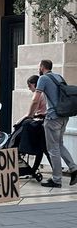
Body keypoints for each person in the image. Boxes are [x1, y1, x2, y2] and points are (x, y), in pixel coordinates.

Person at [36, 59, 77, 187]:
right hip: (64, 116)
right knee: (60, 145)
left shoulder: (43, 78)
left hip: (53, 118)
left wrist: (30, 114)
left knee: (53, 149)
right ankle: (74, 168)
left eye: (39, 66)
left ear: (42, 67)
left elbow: (35, 99)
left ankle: (56, 179)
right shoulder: (59, 77)